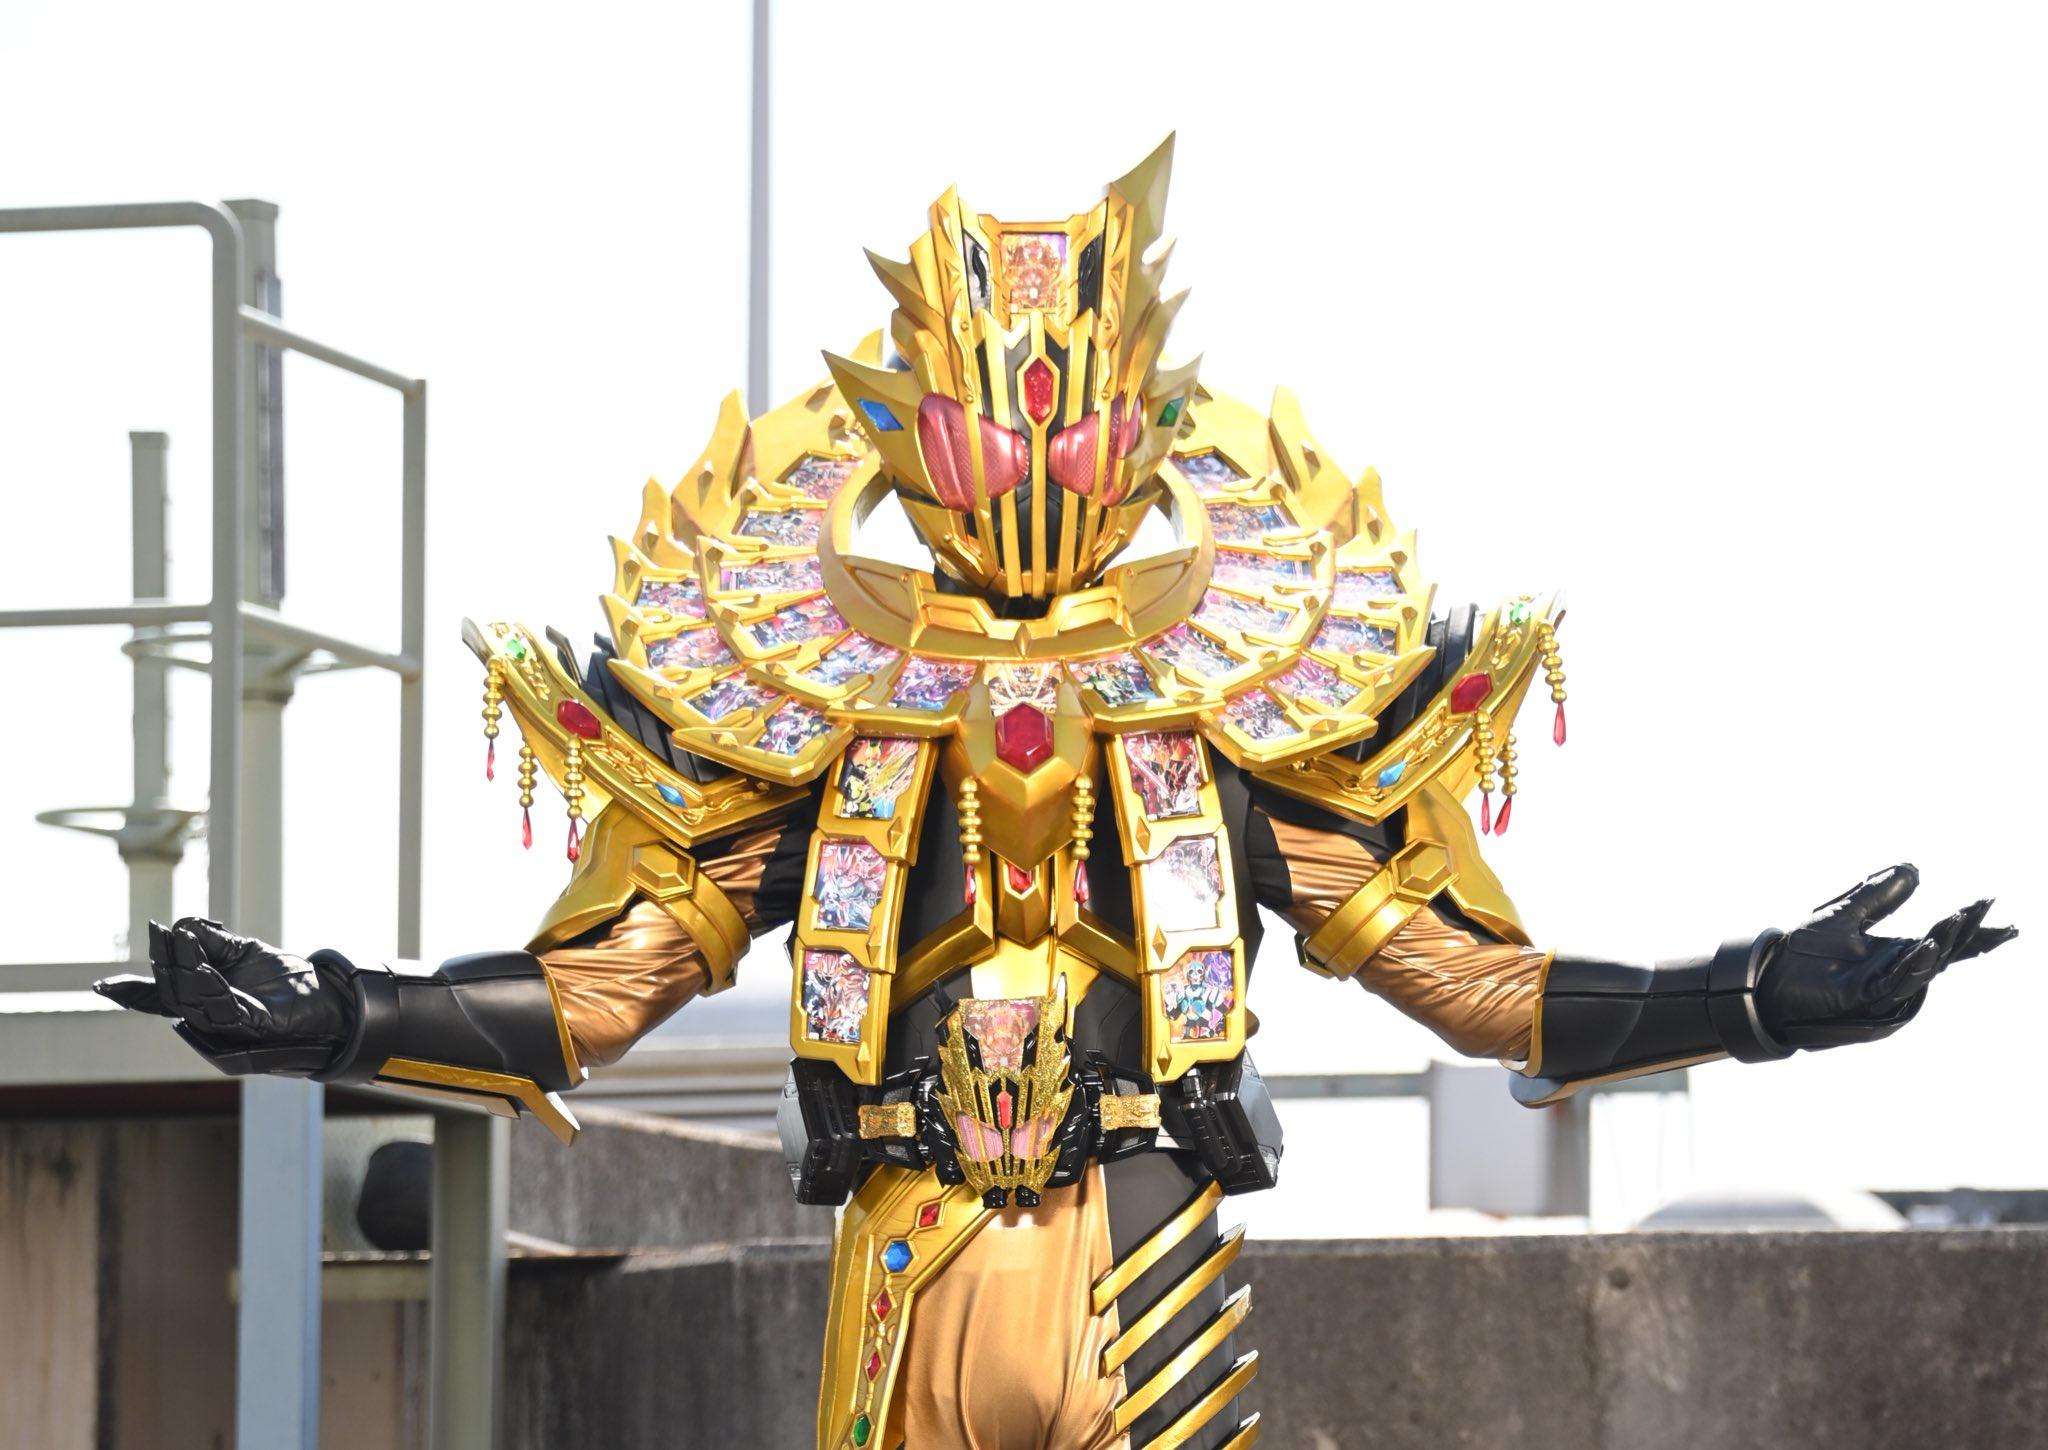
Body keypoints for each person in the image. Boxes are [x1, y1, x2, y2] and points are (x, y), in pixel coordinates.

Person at [99, 138, 2015, 1450]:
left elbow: (1480, 984)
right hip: (906, 1260)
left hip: (1142, 1248)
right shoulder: (830, 716)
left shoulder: (1235, 708)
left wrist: (1754, 996)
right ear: (912, 424)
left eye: (1065, 409)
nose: (1026, 452)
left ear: (1135, 417)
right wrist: (339, 1014)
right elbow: (605, 983)